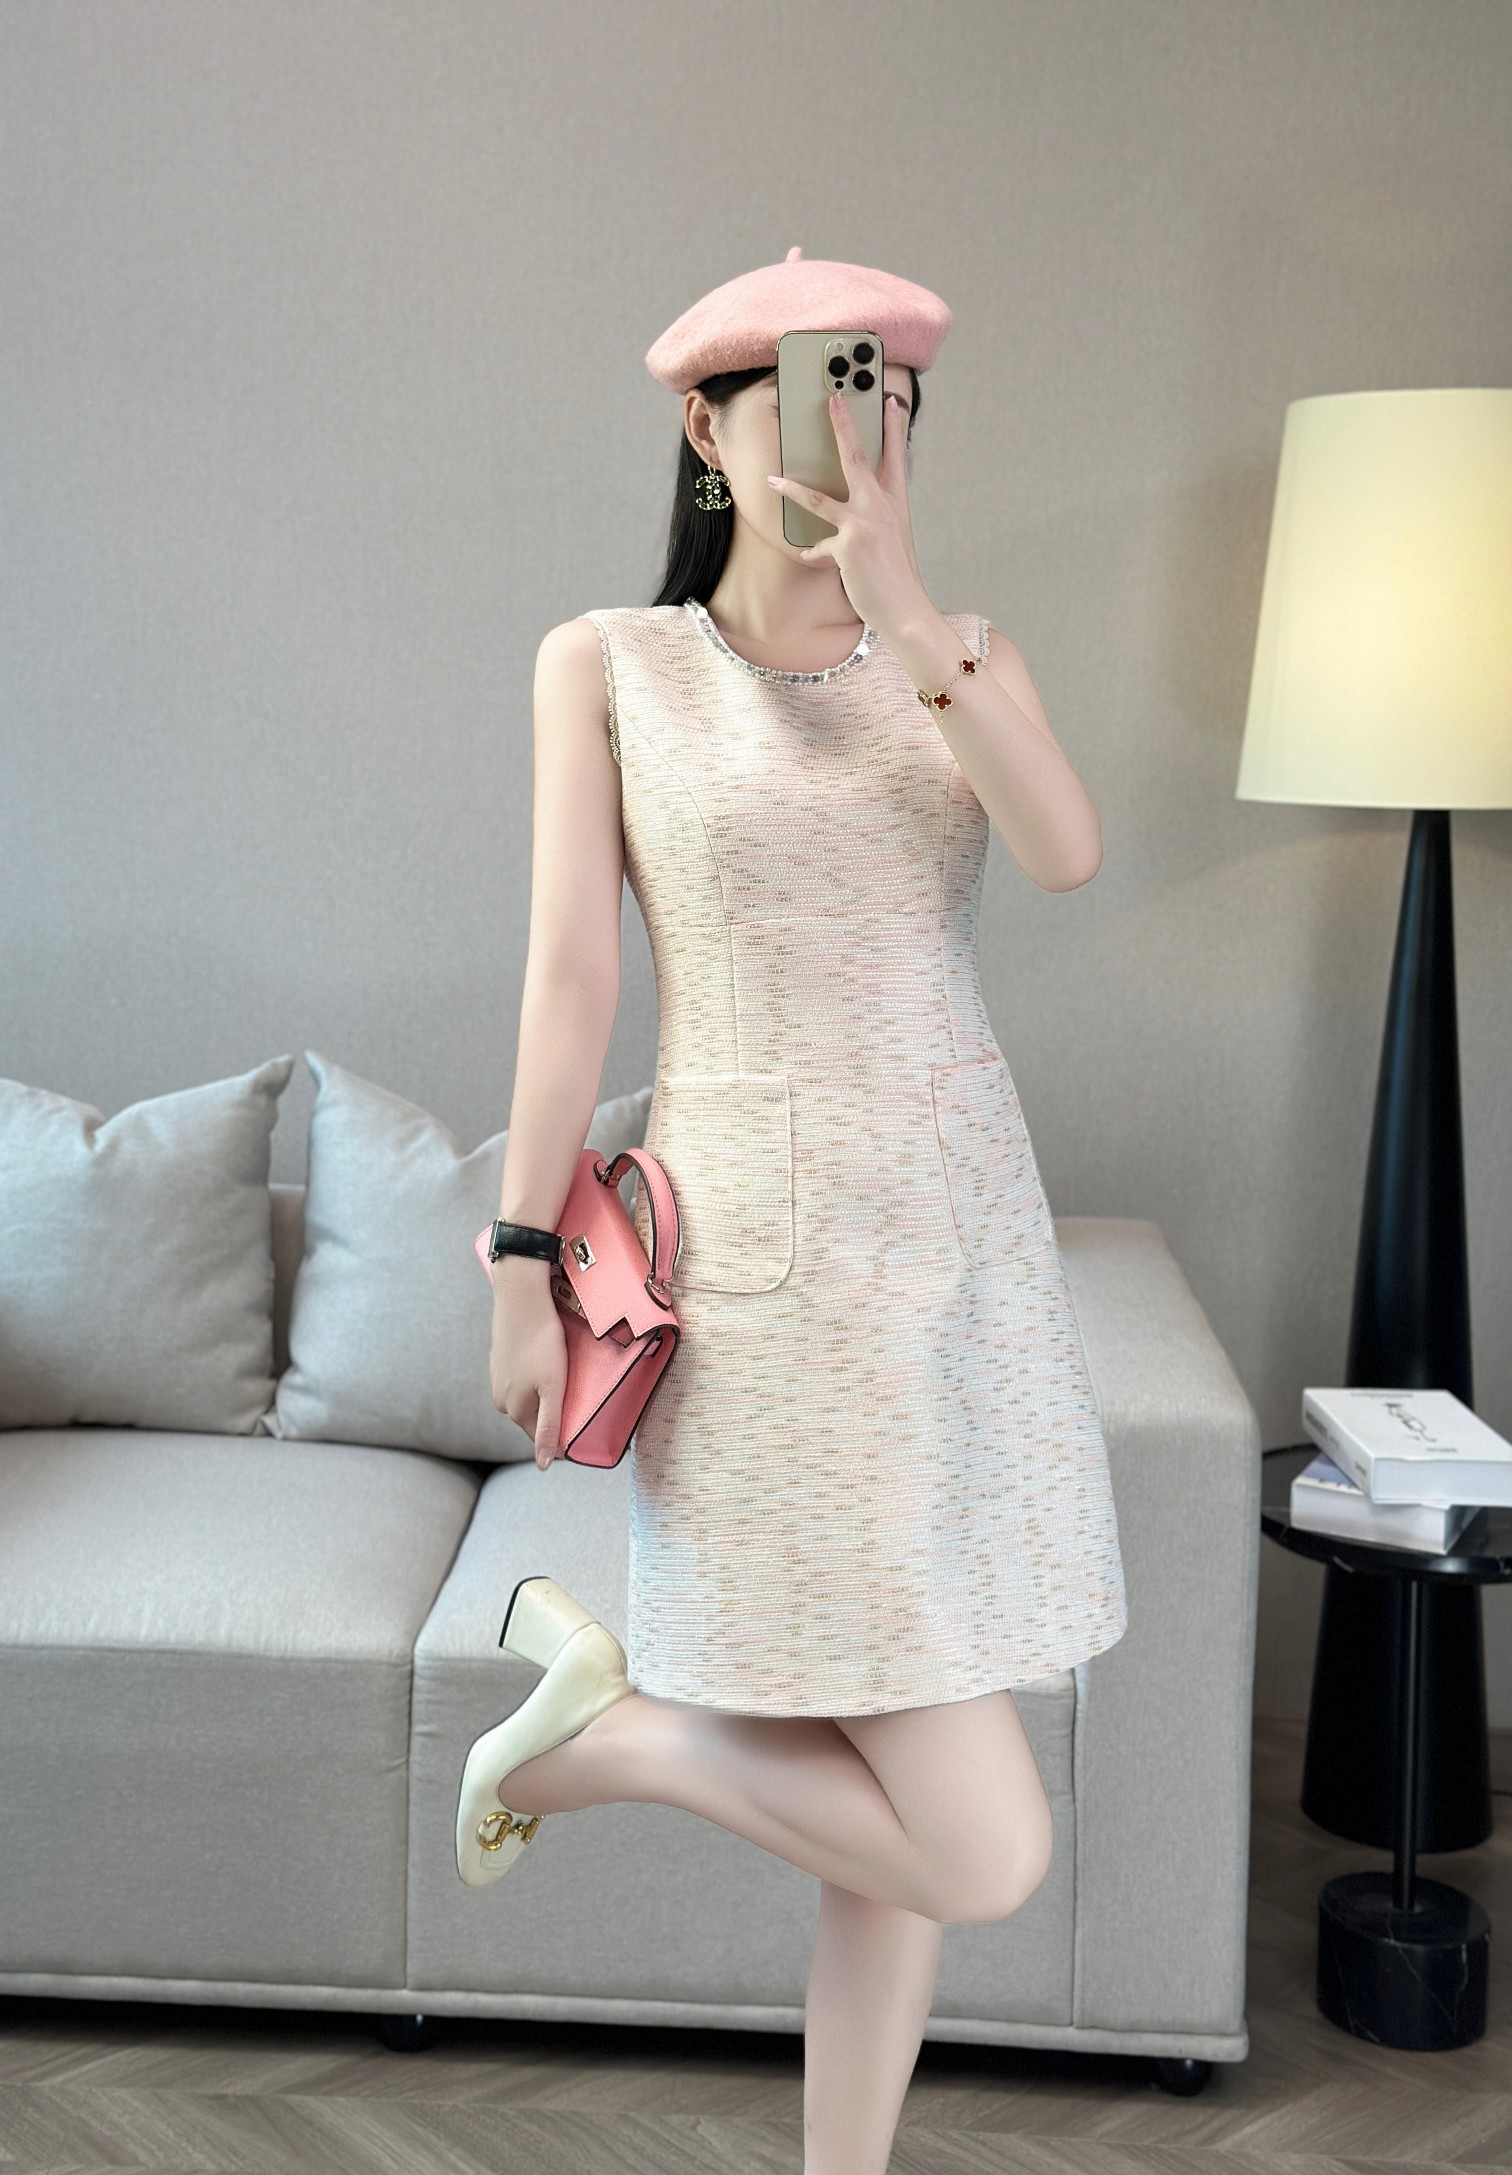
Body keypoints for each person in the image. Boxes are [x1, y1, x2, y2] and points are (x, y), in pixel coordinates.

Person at [456, 246, 1127, 2174]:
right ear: (706, 424)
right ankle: (603, 1740)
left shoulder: (961, 654)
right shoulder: (610, 664)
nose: (862, 433)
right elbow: (570, 982)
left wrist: (907, 609)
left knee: (893, 1808)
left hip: (959, 1267)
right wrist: (521, 1256)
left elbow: (1067, 851)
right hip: (759, 1276)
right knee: (975, 1843)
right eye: (824, 394)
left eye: (891, 401)